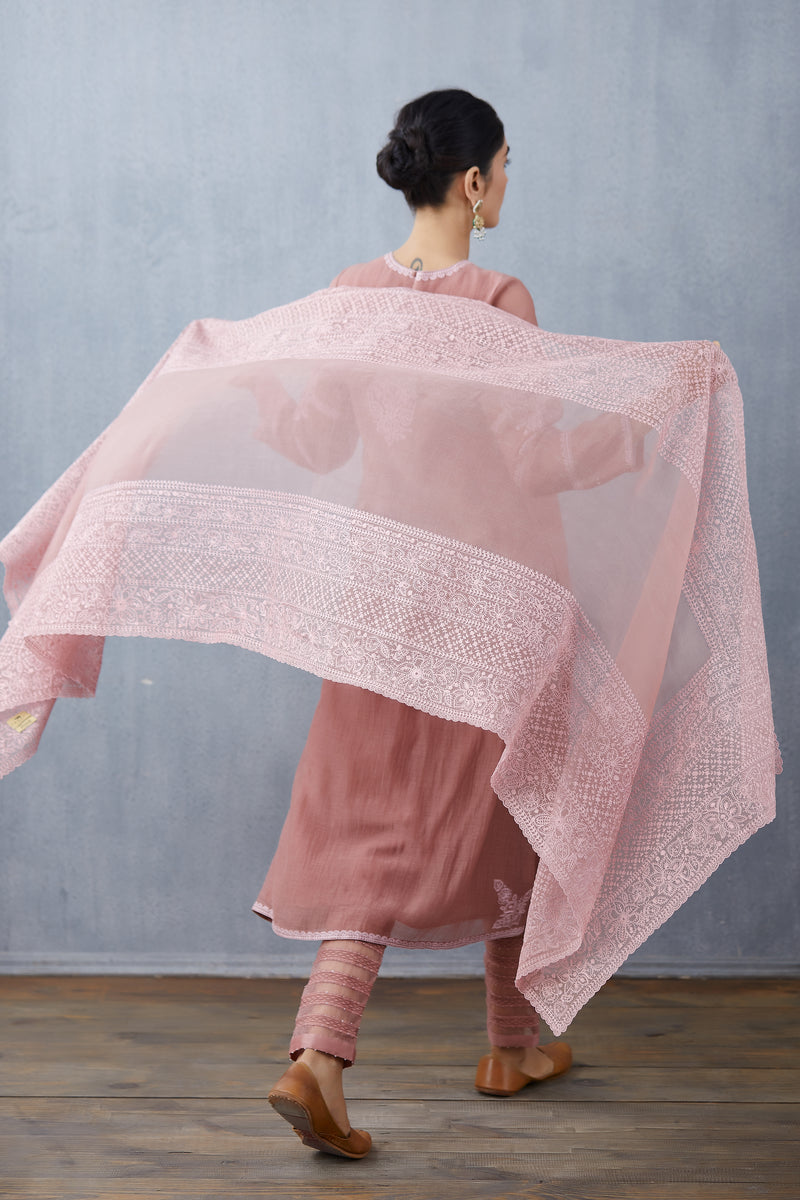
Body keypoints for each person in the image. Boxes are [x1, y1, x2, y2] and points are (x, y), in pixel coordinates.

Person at [262, 89, 572, 1161]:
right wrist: (634, 437)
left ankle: (397, 1049)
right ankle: (454, 1049)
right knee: (512, 798)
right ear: (475, 182)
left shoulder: (350, 294)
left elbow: (312, 441)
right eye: (506, 167)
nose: (507, 185)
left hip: (377, 599)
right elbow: (533, 460)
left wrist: (246, 383)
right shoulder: (498, 299)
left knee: (376, 819)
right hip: (483, 596)